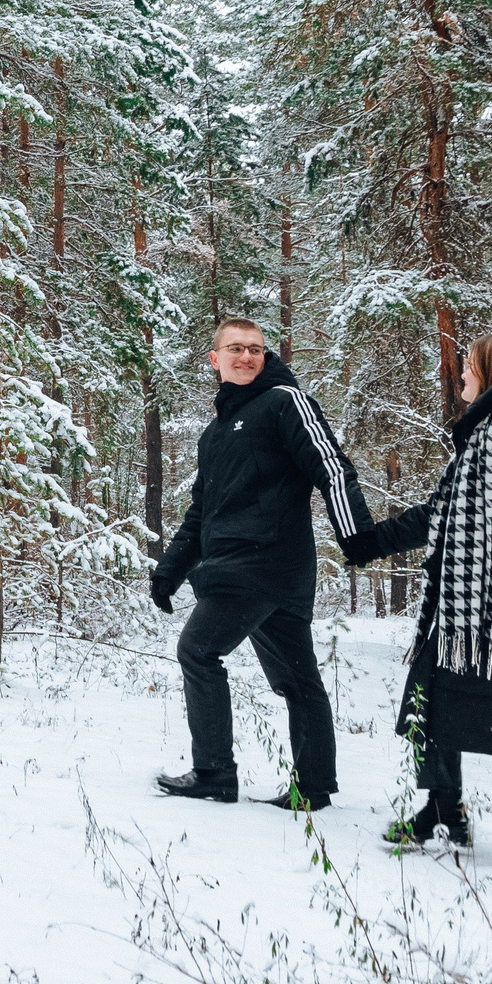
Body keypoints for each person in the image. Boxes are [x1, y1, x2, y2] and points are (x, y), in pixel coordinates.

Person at [344, 332, 492, 868]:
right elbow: (440, 516)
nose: (461, 374)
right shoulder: (485, 433)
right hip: (467, 609)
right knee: (433, 700)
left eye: (470, 365)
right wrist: (371, 542)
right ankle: (442, 813)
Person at [149, 317, 373, 812]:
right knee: (298, 679)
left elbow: (332, 467)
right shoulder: (216, 432)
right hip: (256, 569)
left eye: (255, 348)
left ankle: (213, 773)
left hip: (262, 565)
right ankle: (313, 788)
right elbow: (201, 510)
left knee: (198, 650)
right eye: (235, 348)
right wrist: (170, 568)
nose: (246, 356)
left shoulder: (283, 402)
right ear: (215, 358)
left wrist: (357, 535)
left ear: (266, 354)